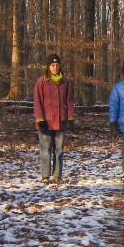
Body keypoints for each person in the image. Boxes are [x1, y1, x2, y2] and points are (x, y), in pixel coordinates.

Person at [33, 53, 75, 184]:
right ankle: (45, 175)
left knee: (59, 150)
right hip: (46, 121)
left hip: (61, 121)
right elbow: (37, 101)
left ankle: (57, 175)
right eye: (52, 65)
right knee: (45, 149)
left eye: (56, 65)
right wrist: (40, 119)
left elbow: (69, 101)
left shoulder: (65, 82)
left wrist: (70, 117)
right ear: (48, 67)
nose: (55, 67)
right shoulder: (41, 82)